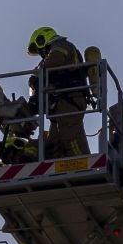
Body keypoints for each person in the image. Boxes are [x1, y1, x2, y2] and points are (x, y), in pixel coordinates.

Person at [26, 25, 93, 158]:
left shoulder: (62, 46)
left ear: (43, 39)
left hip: (69, 98)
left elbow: (53, 62)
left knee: (69, 135)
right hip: (59, 104)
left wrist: (35, 77)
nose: (40, 53)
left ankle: (84, 164)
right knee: (54, 145)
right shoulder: (51, 56)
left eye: (40, 49)